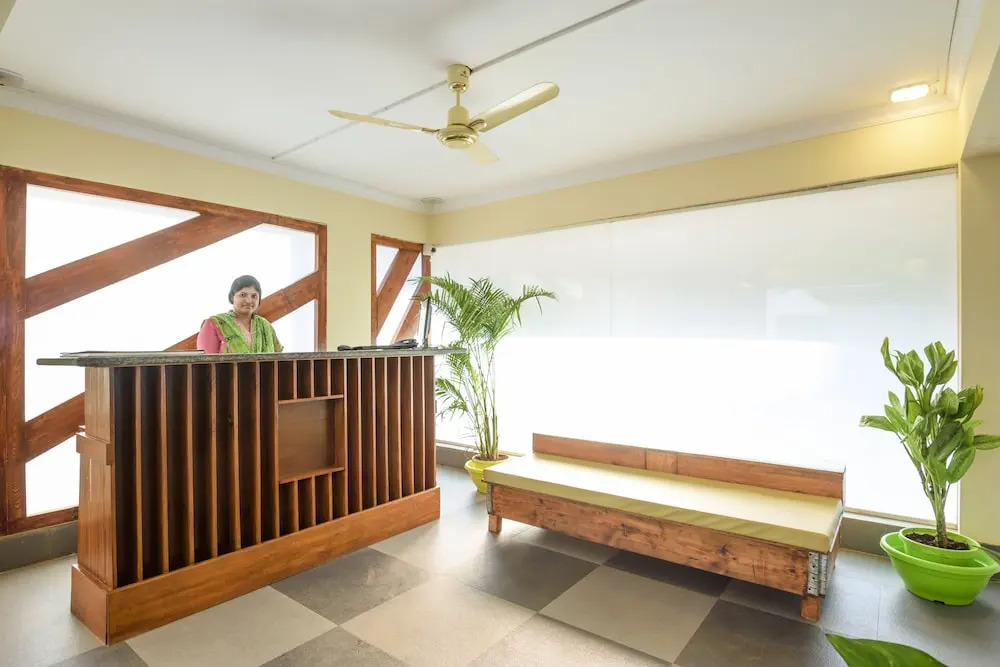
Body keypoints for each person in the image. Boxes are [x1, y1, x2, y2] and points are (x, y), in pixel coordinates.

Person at [196, 275, 284, 353]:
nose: (248, 301)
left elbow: (279, 359)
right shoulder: (215, 324)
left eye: (254, 296)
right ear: (232, 297)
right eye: (243, 295)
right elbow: (205, 363)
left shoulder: (265, 326)